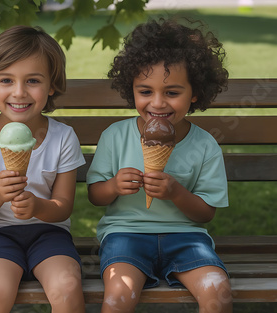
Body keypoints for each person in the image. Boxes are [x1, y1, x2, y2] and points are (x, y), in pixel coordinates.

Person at [87, 18, 233, 313]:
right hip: (125, 235)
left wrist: (177, 193)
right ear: (132, 90)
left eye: (172, 92)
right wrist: (114, 186)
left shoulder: (205, 145)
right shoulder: (115, 136)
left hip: (187, 238)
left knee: (217, 290)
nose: (157, 103)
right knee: (118, 295)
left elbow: (206, 213)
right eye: (145, 91)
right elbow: (95, 195)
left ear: (194, 94)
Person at [0, 25, 86, 313]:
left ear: (51, 86)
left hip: (49, 232)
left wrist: (37, 206)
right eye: (6, 80)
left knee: (67, 287)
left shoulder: (63, 137)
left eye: (33, 81)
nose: (19, 92)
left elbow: (63, 207)